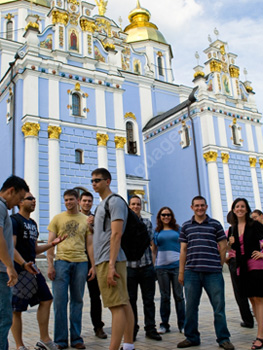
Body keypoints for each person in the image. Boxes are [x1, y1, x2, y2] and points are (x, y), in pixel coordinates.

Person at [177, 196, 234, 350]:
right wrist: (181, 272)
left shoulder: (215, 224)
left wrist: (219, 265)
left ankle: (223, 339)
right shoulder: (186, 226)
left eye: (202, 205)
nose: (200, 208)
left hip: (212, 273)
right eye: (197, 206)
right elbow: (183, 250)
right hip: (191, 273)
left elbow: (223, 246)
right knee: (191, 308)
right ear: (192, 207)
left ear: (206, 206)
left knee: (219, 307)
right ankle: (191, 337)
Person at [11, 192, 66, 350]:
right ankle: (20, 346)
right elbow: (11, 247)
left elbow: (34, 249)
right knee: (17, 309)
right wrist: (21, 265)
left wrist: (52, 244)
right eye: (30, 199)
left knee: (47, 299)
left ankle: (44, 339)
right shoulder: (14, 220)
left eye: (34, 198)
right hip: (19, 270)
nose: (34, 201)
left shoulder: (33, 223)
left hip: (32, 269)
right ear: (20, 202)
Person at [91, 168, 134, 350]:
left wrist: (110, 266)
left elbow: (116, 234)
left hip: (111, 260)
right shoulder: (101, 205)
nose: (94, 183)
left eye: (98, 180)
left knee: (116, 306)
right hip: (105, 259)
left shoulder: (114, 201)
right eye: (92, 180)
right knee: (123, 303)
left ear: (107, 181)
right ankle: (129, 345)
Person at [47, 189, 95, 350]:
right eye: (66, 200)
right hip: (61, 263)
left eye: (71, 199)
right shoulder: (57, 219)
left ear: (77, 200)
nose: (68, 202)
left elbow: (89, 244)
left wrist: (93, 265)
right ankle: (60, 340)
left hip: (81, 263)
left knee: (77, 301)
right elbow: (50, 243)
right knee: (60, 302)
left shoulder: (85, 220)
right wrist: (50, 264)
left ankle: (76, 338)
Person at [229, 198, 263, 350]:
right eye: (237, 206)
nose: (240, 209)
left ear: (247, 209)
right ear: (234, 210)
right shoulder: (233, 228)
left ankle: (260, 336)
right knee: (251, 299)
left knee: (258, 298)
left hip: (255, 263)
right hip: (241, 266)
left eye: (243, 206)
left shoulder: (254, 224)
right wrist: (231, 244)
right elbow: (234, 248)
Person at [0, 175, 29, 350]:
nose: (18, 203)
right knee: (4, 317)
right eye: (19, 198)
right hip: (1, 272)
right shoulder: (1, 207)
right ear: (11, 191)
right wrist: (10, 267)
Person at [127, 195, 161, 341]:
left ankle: (150, 329)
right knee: (131, 301)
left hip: (146, 266)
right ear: (129, 206)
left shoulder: (147, 223)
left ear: (141, 206)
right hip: (130, 268)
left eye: (138, 204)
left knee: (149, 300)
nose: (135, 206)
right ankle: (132, 329)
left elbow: (151, 244)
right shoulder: (124, 224)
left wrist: (153, 264)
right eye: (133, 204)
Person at [152, 206, 185, 335]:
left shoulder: (178, 230)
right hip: (161, 268)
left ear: (172, 216)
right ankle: (164, 325)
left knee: (179, 297)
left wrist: (184, 267)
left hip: (177, 266)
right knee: (165, 297)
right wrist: (153, 266)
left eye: (168, 215)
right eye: (163, 215)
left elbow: (184, 248)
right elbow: (154, 250)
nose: (166, 217)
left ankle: (182, 324)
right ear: (159, 217)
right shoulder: (157, 231)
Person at [79, 191, 107, 339]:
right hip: (77, 259)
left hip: (92, 261)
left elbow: (101, 237)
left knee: (95, 296)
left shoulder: (95, 218)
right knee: (76, 298)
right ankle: (74, 332)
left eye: (89, 201)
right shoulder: (73, 217)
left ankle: (98, 327)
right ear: (79, 202)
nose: (87, 203)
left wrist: (93, 226)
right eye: (84, 201)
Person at [225, 211, 254, 329]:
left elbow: (223, 248)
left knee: (240, 292)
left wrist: (227, 259)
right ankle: (250, 318)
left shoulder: (228, 231)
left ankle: (248, 320)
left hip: (236, 262)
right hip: (248, 261)